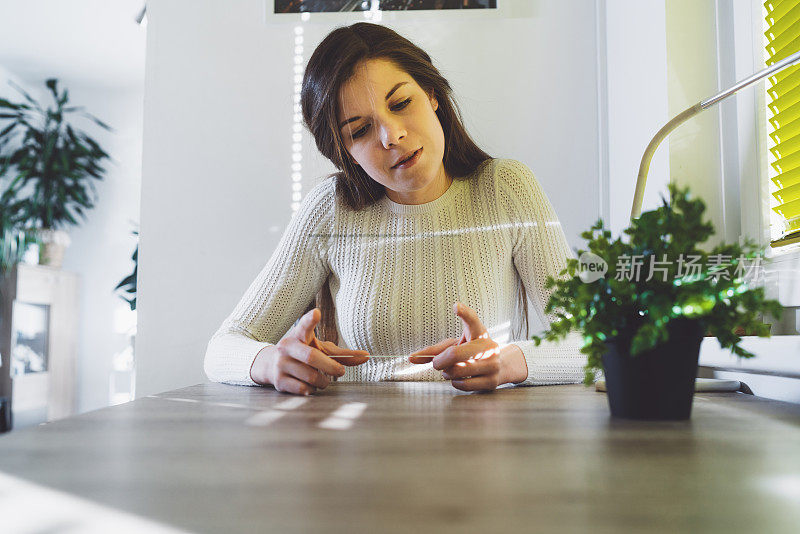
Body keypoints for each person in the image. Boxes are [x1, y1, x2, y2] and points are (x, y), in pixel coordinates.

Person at [204, 22, 585, 396]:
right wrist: (271, 362)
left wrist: (509, 361)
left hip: (481, 447)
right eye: (360, 131)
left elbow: (591, 341)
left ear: (432, 94)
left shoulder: (506, 189)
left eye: (401, 103)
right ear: (345, 153)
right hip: (361, 445)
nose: (392, 136)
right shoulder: (330, 211)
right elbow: (224, 346)